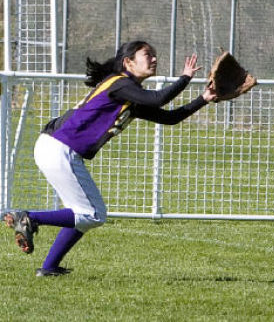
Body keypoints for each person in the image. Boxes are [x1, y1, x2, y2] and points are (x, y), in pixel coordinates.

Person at [3, 40, 218, 277]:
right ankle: (28, 217)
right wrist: (185, 77)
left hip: (55, 147)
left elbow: (169, 118)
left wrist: (203, 98)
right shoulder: (119, 84)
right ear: (128, 62)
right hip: (59, 148)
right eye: (147, 54)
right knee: (93, 214)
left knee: (81, 213)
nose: (154, 59)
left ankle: (49, 267)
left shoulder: (131, 95)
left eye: (154, 55)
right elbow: (158, 99)